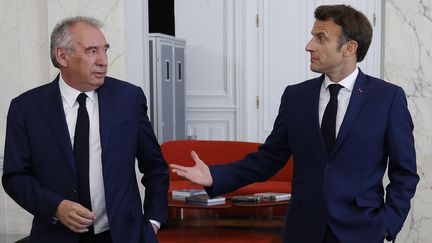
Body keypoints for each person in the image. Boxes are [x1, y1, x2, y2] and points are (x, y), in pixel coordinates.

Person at [170, 5, 419, 243]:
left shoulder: (387, 98)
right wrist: (214, 175)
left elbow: (404, 173)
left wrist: (388, 223)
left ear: (349, 48)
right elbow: (268, 159)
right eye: (312, 37)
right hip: (303, 228)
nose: (309, 46)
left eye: (320, 38)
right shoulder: (295, 97)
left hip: (362, 230)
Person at [2, 16, 169, 243]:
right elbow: (15, 176)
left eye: (105, 50)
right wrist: (55, 207)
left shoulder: (129, 99)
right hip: (56, 236)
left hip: (122, 236)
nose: (103, 61)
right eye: (91, 51)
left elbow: (155, 167)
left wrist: (152, 223)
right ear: (62, 56)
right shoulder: (26, 108)